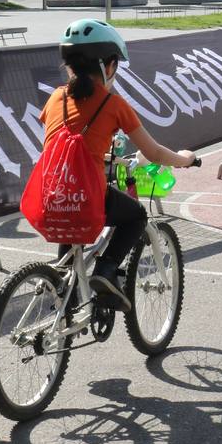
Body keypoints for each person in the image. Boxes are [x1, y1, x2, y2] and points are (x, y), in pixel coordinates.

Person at [42, 19, 197, 310]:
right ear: (109, 65)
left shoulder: (55, 98)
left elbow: (61, 145)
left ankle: (64, 299)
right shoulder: (113, 104)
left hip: (48, 196)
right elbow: (154, 153)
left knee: (72, 227)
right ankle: (107, 269)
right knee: (136, 215)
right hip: (88, 197)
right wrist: (185, 159)